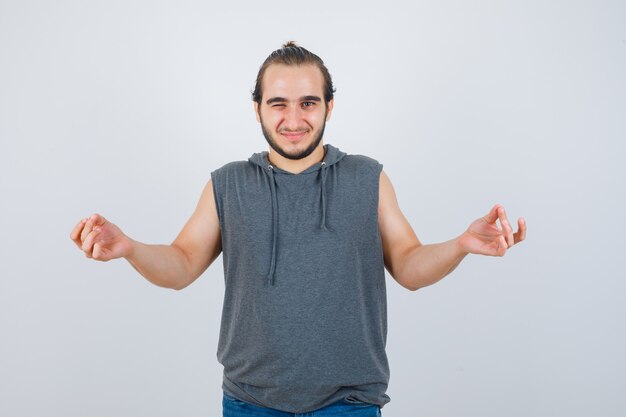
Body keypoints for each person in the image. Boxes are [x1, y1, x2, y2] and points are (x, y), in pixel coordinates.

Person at [70, 42, 527, 417]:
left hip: (350, 402)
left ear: (329, 105)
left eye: (308, 102)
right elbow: (182, 263)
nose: (293, 120)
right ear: (257, 109)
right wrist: (129, 247)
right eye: (278, 104)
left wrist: (461, 245)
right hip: (251, 401)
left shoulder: (368, 178)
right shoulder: (227, 183)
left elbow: (408, 264)